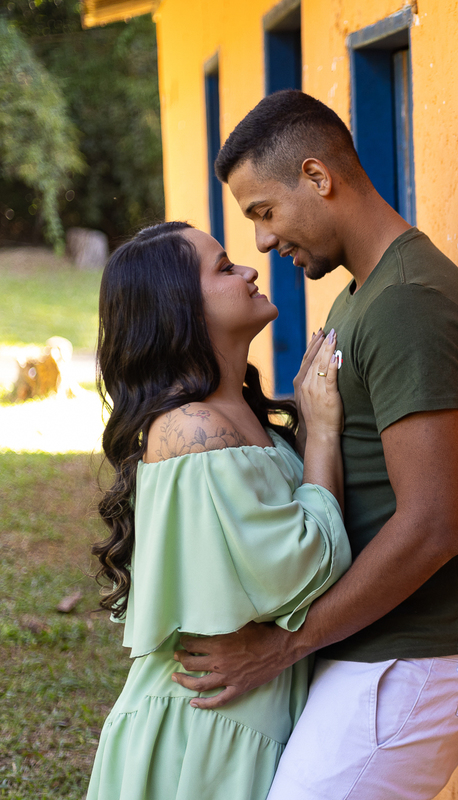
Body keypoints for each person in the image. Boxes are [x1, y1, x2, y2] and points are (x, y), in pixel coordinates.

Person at [172, 90, 458, 800]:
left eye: (264, 212)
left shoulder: (407, 305)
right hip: (372, 647)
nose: (262, 242)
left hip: (413, 658)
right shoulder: (363, 296)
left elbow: (433, 525)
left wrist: (284, 647)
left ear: (318, 177)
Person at [87, 221, 352, 800]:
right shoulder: (194, 430)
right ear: (180, 308)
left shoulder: (234, 417)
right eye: (225, 268)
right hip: (203, 731)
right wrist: (325, 435)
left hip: (238, 714)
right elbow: (301, 569)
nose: (251, 269)